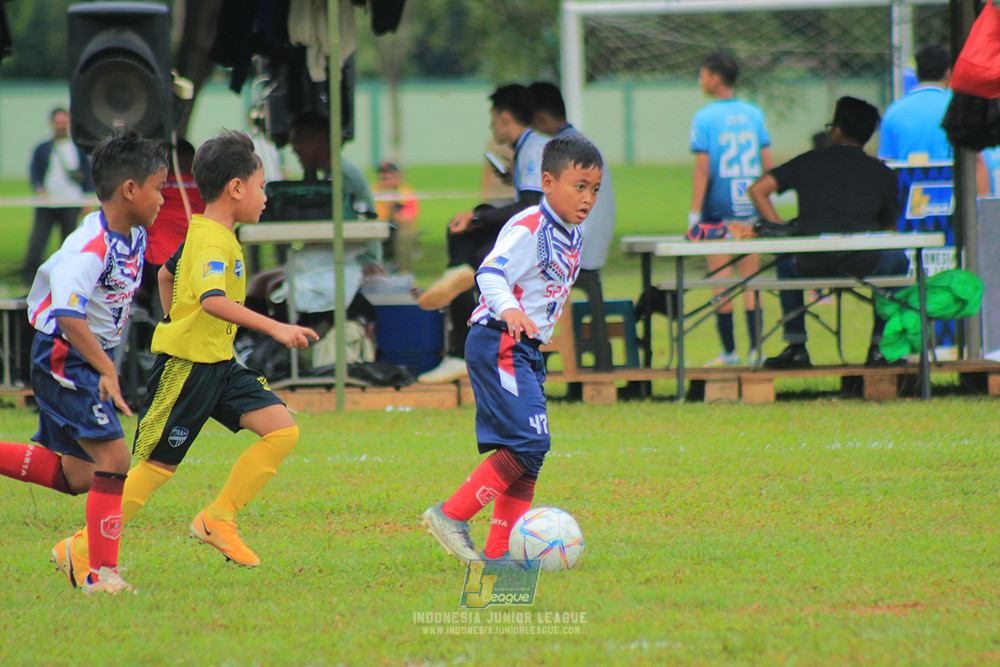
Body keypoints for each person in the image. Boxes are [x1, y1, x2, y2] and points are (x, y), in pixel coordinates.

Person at [52, 131, 320, 581]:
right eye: (261, 185)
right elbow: (214, 299)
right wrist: (276, 326)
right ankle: (79, 547)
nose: (266, 196)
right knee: (155, 468)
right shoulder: (213, 242)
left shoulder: (202, 231)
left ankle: (218, 518)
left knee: (281, 431)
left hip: (219, 363)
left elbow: (166, 275)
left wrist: (178, 317)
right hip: (187, 369)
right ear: (236, 188)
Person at [0, 131, 168, 595]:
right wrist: (106, 368)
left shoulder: (132, 233)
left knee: (80, 476)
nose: (162, 198)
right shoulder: (89, 246)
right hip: (63, 355)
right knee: (115, 457)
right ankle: (100, 573)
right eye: (157, 188)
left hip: (82, 357)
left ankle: (93, 569)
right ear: (129, 190)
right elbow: (69, 314)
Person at [422, 134, 602, 564]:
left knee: (531, 454)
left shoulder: (571, 234)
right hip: (498, 340)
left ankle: (500, 552)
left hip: (524, 348)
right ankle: (451, 515)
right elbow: (490, 273)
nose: (588, 198)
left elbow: (544, 286)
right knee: (527, 444)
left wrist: (539, 328)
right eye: (579, 186)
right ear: (547, 182)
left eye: (595, 189)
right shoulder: (528, 227)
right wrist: (512, 312)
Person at [746, 96, 906, 369]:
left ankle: (796, 345)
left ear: (837, 131)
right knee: (897, 259)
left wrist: (783, 231)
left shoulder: (808, 161)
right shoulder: (883, 174)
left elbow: (757, 190)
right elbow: (887, 230)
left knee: (785, 257)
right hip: (863, 263)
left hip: (810, 262)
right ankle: (879, 346)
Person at [417, 84, 549, 384]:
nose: (492, 127)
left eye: (492, 120)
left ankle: (459, 350)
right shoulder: (530, 146)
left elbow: (531, 205)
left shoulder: (532, 148)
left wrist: (478, 216)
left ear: (504, 118)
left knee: (475, 244)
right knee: (468, 230)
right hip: (533, 234)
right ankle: (457, 275)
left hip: (539, 243)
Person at [688, 52, 774, 366]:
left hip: (718, 211)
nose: (701, 80)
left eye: (703, 74)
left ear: (716, 78)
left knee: (721, 280)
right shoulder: (754, 113)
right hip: (749, 208)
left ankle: (730, 352)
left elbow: (703, 169)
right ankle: (756, 350)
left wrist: (694, 213)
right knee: (750, 278)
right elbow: (768, 164)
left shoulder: (704, 117)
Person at [529, 80, 617, 370]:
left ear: (540, 119)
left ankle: (528, 364)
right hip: (593, 248)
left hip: (575, 249)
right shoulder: (583, 146)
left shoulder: (559, 152)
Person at [24, 107, 95, 286]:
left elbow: (87, 176)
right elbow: (35, 172)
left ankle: (67, 280)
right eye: (58, 122)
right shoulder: (43, 149)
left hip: (71, 203)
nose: (61, 126)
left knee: (70, 245)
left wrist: (86, 201)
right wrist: (39, 189)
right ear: (52, 124)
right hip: (47, 204)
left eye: (64, 122)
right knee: (36, 244)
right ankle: (29, 281)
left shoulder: (78, 149)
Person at [138, 139, 205, 315]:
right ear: (192, 162)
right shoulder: (203, 189)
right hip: (192, 257)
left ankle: (142, 313)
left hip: (156, 260)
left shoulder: (156, 187)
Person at [878, 44, 952, 164]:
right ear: (948, 72)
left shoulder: (894, 111)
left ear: (917, 73)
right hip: (951, 181)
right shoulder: (956, 108)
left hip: (907, 182)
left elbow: (886, 163)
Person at [374, 161, 419, 274]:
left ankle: (403, 272)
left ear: (398, 178)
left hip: (397, 230)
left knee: (405, 234)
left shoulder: (405, 193)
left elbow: (407, 221)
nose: (384, 181)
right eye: (383, 178)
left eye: (388, 178)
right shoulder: (373, 192)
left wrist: (393, 205)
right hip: (378, 231)